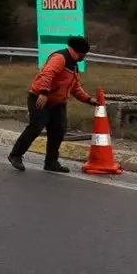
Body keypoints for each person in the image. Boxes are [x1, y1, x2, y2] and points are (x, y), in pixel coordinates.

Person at [8, 35, 97, 173]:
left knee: (58, 131)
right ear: (80, 52)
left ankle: (51, 162)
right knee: (36, 127)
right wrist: (43, 93)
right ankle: (15, 155)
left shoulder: (73, 64)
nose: (85, 57)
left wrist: (88, 100)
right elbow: (47, 74)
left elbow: (75, 87)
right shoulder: (60, 58)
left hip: (58, 102)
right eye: (85, 54)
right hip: (41, 98)